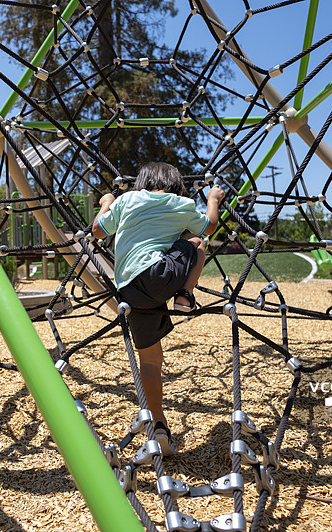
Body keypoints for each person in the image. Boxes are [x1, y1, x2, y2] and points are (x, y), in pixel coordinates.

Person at [92, 162, 225, 456]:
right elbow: (209, 226)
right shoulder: (180, 202)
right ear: (177, 185)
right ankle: (185, 295)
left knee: (150, 360)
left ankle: (159, 426)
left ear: (142, 184)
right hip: (161, 277)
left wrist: (106, 202)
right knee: (197, 242)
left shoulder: (127, 200)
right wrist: (213, 200)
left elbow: (97, 231)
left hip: (128, 290)